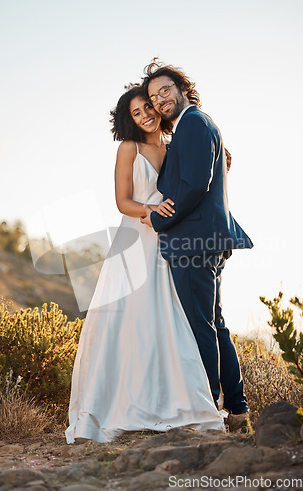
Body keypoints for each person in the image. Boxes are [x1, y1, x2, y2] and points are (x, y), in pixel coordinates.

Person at [65, 84, 225, 444]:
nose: (146, 116)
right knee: (130, 322)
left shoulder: (173, 145)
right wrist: (149, 210)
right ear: (130, 120)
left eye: (149, 108)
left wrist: (221, 155)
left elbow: (195, 174)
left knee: (168, 322)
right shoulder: (129, 148)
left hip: (169, 239)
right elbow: (122, 201)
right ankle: (120, 403)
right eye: (137, 113)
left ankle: (172, 401)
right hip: (135, 239)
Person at [141, 60, 253, 418]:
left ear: (182, 88)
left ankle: (208, 409)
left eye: (165, 90)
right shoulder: (198, 125)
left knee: (198, 327)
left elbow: (193, 186)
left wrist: (158, 220)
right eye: (153, 97)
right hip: (208, 241)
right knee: (214, 325)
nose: (159, 100)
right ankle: (236, 410)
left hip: (193, 242)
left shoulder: (193, 123)